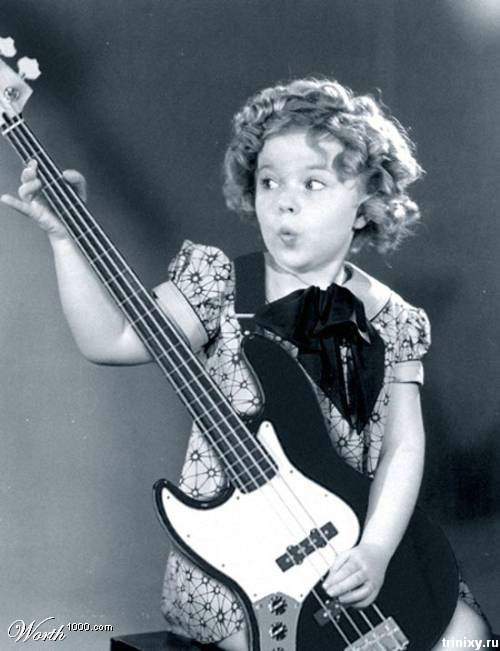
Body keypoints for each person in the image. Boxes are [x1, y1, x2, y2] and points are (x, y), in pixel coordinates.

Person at [1, 78, 492, 650]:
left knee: (468, 637)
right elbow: (110, 340)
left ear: (364, 206)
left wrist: (377, 550)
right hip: (237, 564)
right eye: (268, 182)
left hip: (357, 545)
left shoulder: (394, 318)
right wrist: (65, 240)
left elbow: (402, 447)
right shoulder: (219, 285)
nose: (284, 200)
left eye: (313, 183)